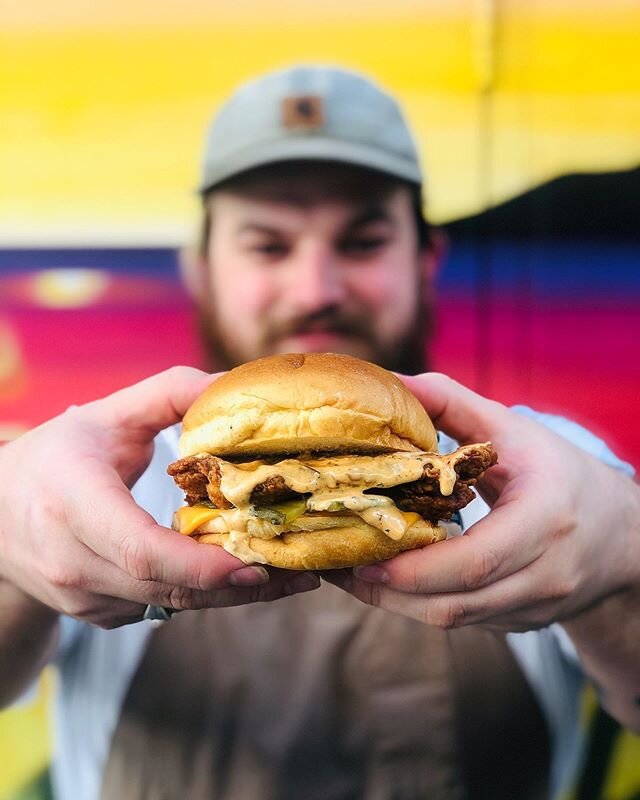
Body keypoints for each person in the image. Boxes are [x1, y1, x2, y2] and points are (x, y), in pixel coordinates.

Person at [1, 65, 639, 800]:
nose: (316, 289)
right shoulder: (106, 480)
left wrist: (627, 553)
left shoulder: (552, 473)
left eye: (363, 242)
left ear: (425, 260)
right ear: (202, 267)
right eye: (269, 246)